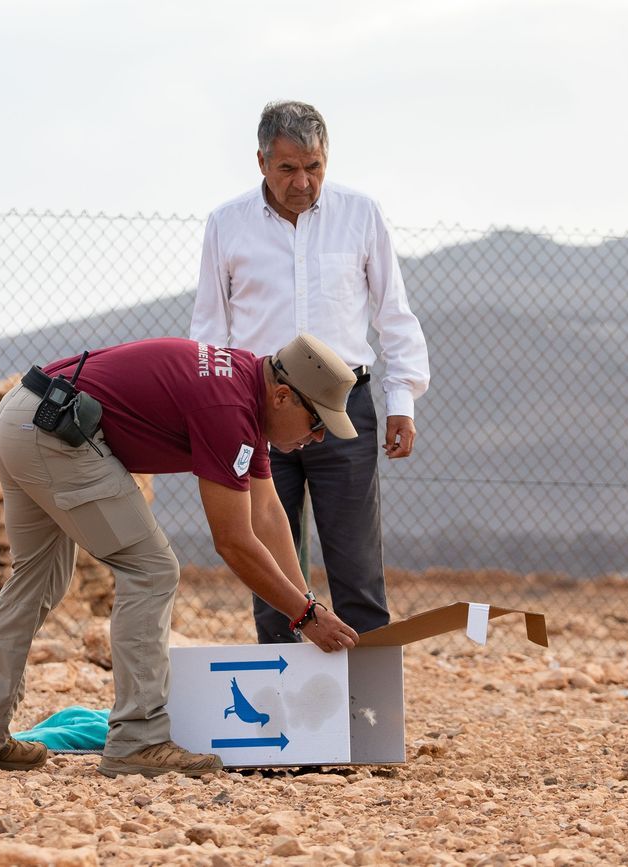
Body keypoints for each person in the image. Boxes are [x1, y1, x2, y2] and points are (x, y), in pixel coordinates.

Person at [0, 333, 361, 778]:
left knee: (35, 580)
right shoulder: (229, 410)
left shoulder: (241, 387)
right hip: (55, 428)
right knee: (152, 568)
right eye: (317, 423)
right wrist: (306, 615)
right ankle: (138, 740)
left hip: (22, 416)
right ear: (282, 395)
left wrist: (308, 605)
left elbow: (269, 515)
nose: (317, 439)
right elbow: (234, 541)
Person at [190, 99, 430, 644]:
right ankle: (285, 714)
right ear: (261, 163)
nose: (302, 182)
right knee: (272, 570)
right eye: (287, 169)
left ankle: (365, 718)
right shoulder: (225, 225)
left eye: (314, 167)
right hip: (257, 413)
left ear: (327, 160)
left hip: (345, 410)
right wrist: (212, 420)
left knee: (358, 571)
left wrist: (402, 402)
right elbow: (209, 331)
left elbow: (393, 313)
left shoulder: (362, 215)